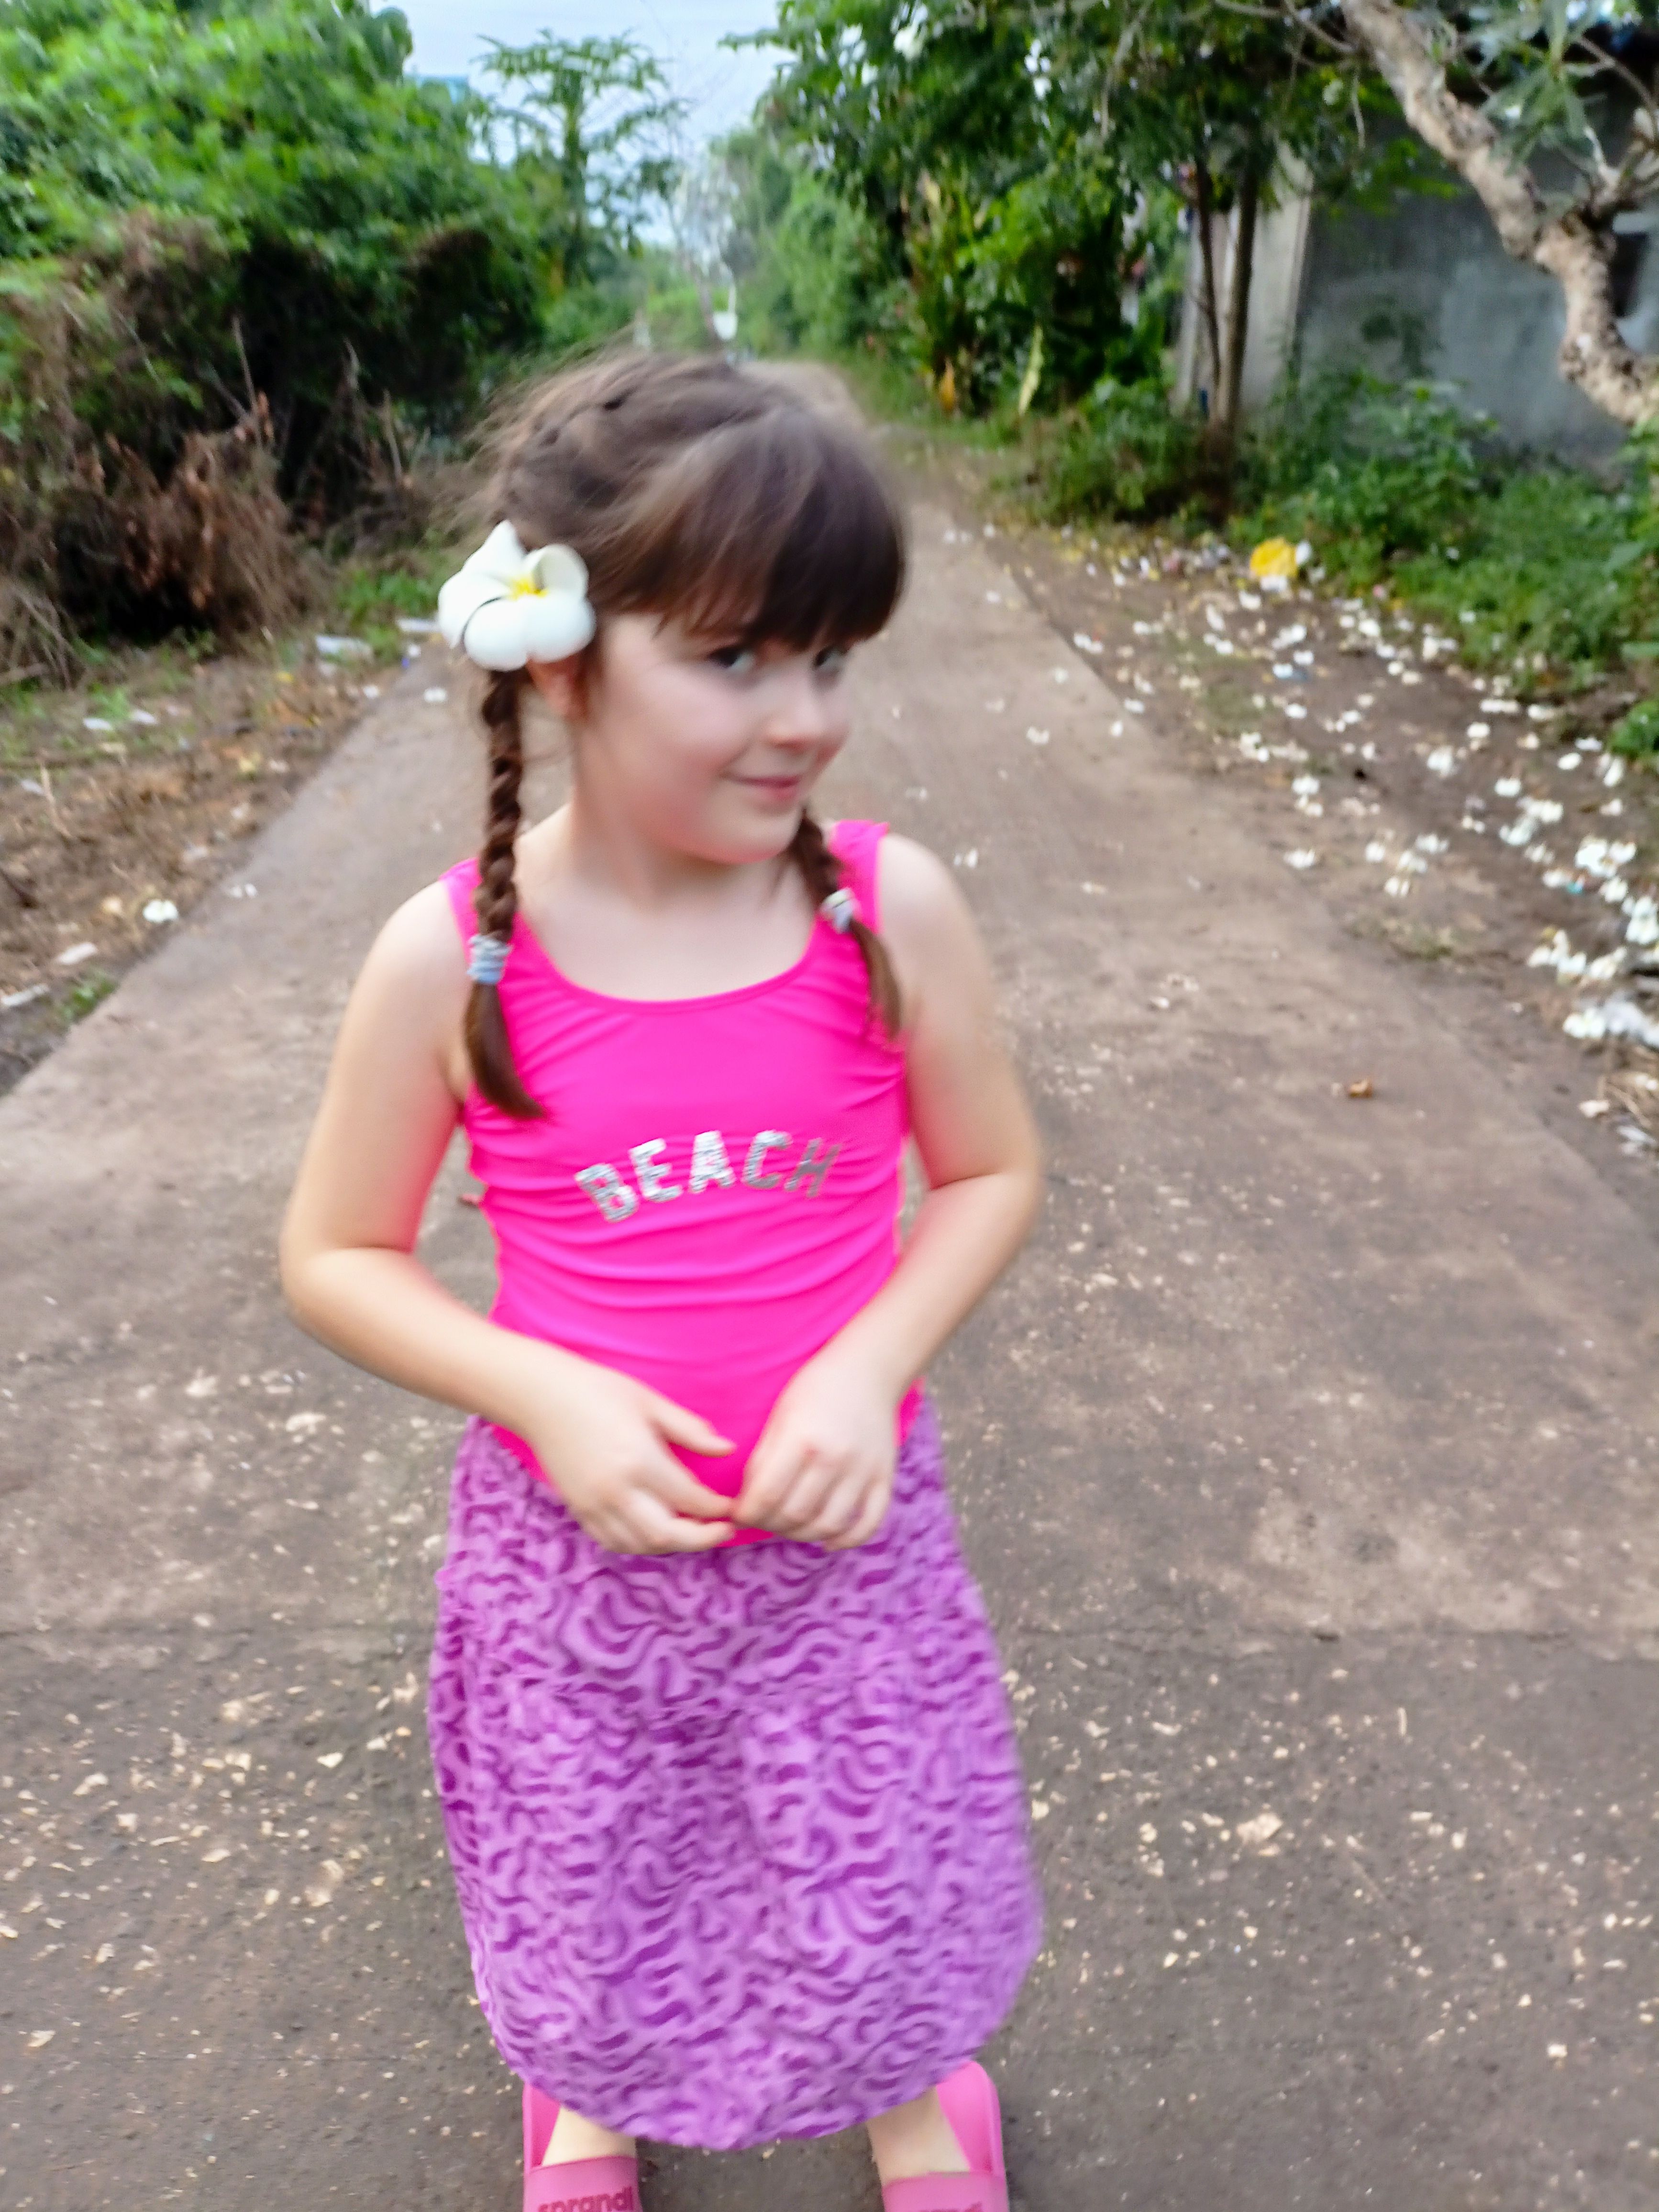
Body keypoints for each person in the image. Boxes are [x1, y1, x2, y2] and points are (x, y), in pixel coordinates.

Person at [279, 352, 1043, 2212]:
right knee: (598, 1858)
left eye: (833, 656)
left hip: (841, 1541)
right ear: (559, 654)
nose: (804, 718)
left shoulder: (883, 908)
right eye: (734, 660)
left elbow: (995, 1171)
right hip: (578, 1556)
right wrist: (538, 1387)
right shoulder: (454, 957)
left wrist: (871, 1361)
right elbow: (335, 1251)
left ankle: (913, 2098)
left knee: (867, 1859)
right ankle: (591, 2101)